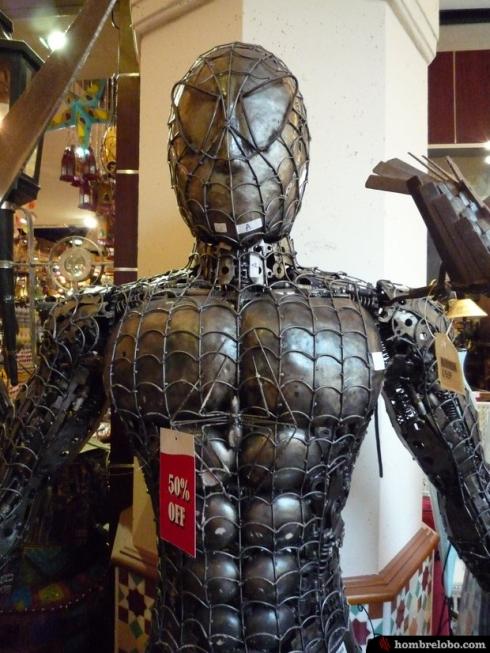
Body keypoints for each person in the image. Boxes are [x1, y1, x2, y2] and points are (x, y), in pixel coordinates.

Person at [1, 42, 489, 652]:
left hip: (311, 632)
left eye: (251, 141)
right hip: (184, 633)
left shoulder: (386, 318)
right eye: (209, 142)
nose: (231, 156)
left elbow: (474, 503)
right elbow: (13, 491)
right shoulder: (103, 321)